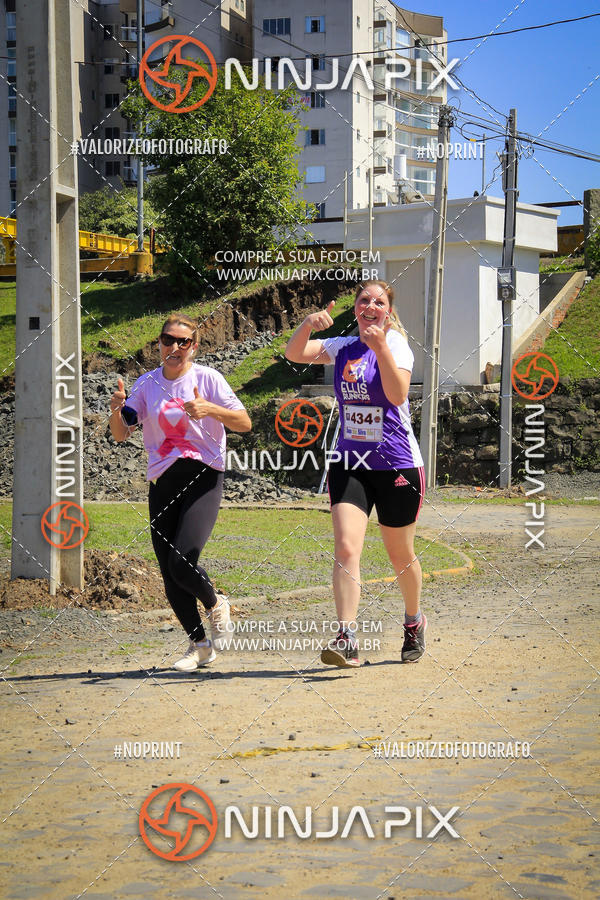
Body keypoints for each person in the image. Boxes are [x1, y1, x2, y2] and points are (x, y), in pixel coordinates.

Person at [285, 281, 426, 668]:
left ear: (387, 311)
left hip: (397, 464)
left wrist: (380, 348)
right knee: (347, 548)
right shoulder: (343, 347)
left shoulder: (396, 345)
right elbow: (295, 352)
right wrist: (308, 325)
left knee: (400, 555)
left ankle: (413, 621)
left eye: (378, 301)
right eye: (364, 300)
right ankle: (346, 637)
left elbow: (397, 396)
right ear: (356, 308)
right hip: (351, 463)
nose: (370, 306)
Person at [109, 314, 251, 671]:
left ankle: (216, 603)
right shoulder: (146, 384)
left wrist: (210, 409)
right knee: (168, 571)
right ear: (159, 343)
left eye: (183, 342)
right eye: (168, 340)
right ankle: (200, 646)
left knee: (182, 559)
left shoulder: (208, 379)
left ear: (194, 346)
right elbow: (121, 432)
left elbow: (244, 423)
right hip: (163, 481)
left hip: (204, 476)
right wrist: (115, 409)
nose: (174, 348)